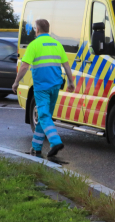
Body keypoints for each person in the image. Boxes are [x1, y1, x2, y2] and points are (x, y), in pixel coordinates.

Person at [12, 19, 74, 158]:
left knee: (44, 115)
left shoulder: (34, 45)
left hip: (41, 87)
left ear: (37, 30)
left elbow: (24, 66)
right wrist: (70, 82)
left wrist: (16, 82)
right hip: (55, 86)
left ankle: (55, 141)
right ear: (48, 29)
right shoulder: (57, 44)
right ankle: (36, 147)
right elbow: (66, 65)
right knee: (45, 117)